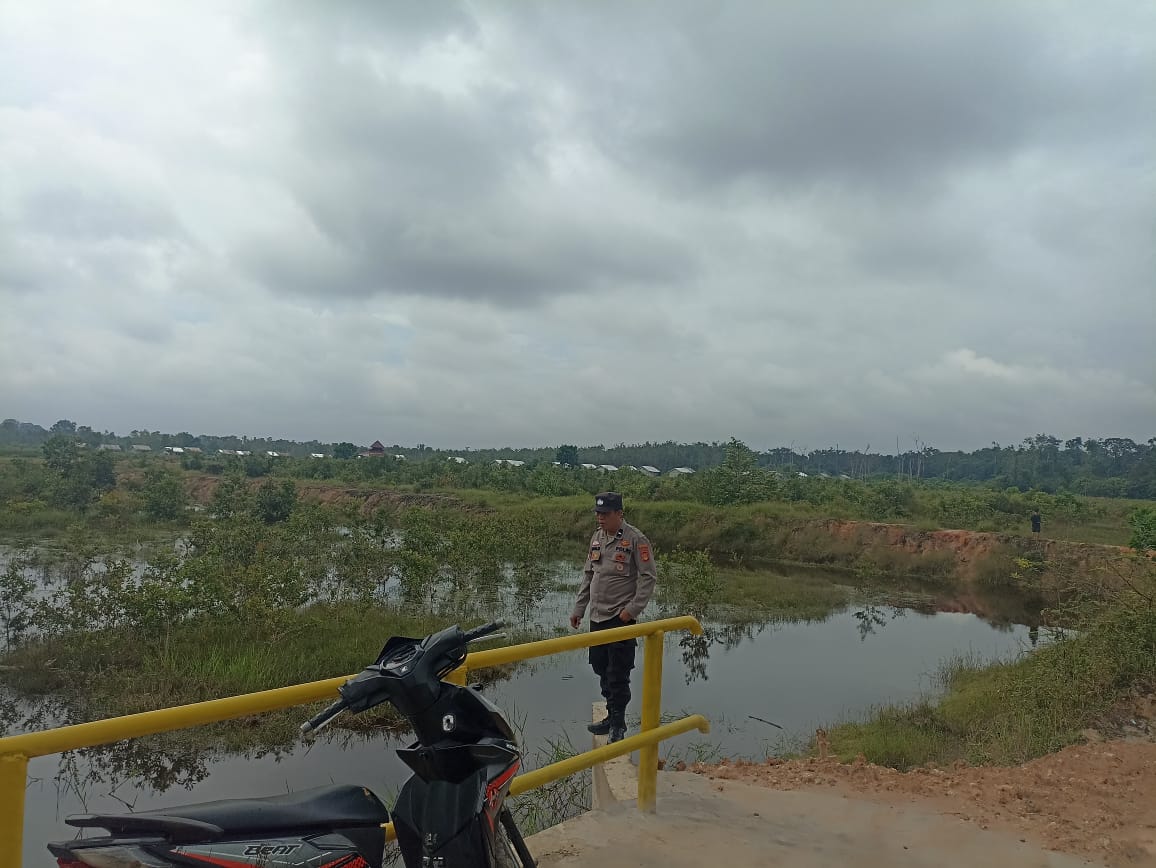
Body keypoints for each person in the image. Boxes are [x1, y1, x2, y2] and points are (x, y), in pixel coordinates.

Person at [569, 491, 657, 743]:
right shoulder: (597, 538)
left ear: (619, 513)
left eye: (605, 514)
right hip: (597, 617)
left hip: (620, 618)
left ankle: (618, 723)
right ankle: (610, 714)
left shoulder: (636, 539)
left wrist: (632, 610)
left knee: (618, 673)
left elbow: (648, 577)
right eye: (597, 514)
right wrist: (579, 608)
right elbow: (589, 575)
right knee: (599, 666)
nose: (600, 518)